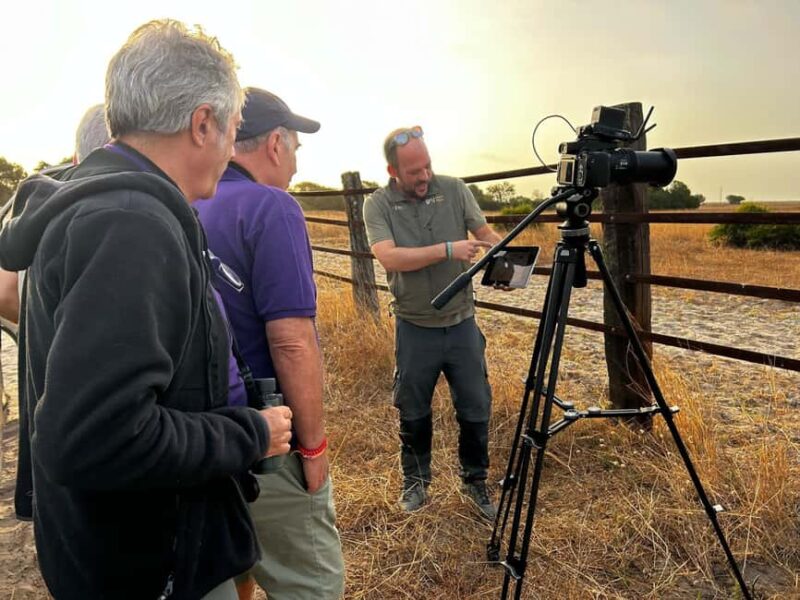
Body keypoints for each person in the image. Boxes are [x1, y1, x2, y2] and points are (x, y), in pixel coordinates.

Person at [0, 20, 293, 600]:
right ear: (202, 123)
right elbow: (94, 437)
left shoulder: (107, 203)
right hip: (147, 562)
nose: (233, 150)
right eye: (233, 129)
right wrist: (248, 433)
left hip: (105, 550)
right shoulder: (131, 224)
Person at [196, 87, 344, 600]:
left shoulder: (182, 200)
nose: (297, 167)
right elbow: (292, 342)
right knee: (313, 585)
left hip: (199, 440)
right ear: (276, 142)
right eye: (297, 150)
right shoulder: (271, 207)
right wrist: (314, 446)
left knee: (233, 564)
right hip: (267, 440)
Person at [363, 126, 505, 519]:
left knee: (476, 403)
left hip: (461, 321)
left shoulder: (456, 189)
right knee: (412, 406)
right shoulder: (377, 205)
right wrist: (448, 250)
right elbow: (389, 258)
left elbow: (484, 233)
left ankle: (476, 482)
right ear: (393, 171)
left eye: (426, 167)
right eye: (413, 172)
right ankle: (416, 482)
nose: (423, 176)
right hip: (414, 325)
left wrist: (502, 260)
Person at [0, 103, 110, 326]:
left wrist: (45, 329)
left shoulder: (36, 210)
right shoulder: (124, 216)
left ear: (75, 160)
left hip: (43, 356)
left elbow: (4, 292)